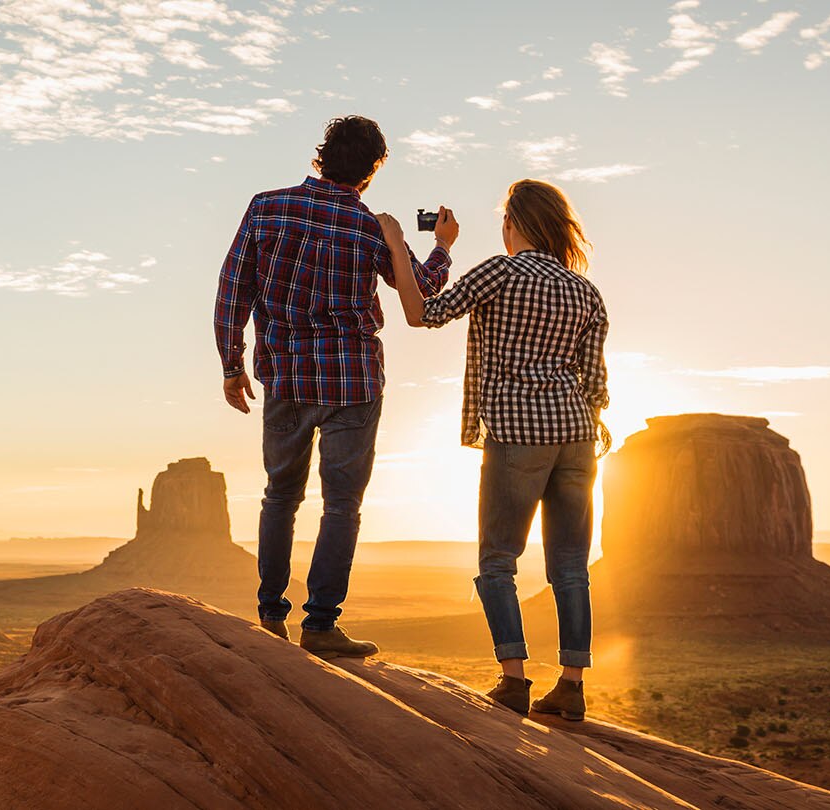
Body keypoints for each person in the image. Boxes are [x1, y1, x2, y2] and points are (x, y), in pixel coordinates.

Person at [214, 116, 457, 659]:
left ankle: (271, 616)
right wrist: (442, 244)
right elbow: (423, 288)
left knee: (280, 496)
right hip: (353, 382)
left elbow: (234, 287)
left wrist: (231, 365)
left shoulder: (266, 206)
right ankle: (321, 625)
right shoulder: (370, 227)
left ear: (320, 157)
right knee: (342, 506)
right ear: (372, 171)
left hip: (286, 377)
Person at [378, 179, 609, 719]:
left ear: (514, 224)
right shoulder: (585, 290)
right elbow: (595, 379)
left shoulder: (500, 272)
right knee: (572, 566)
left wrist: (400, 245)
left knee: (498, 561)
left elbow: (422, 314)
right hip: (577, 435)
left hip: (516, 432)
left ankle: (514, 681)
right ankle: (571, 687)